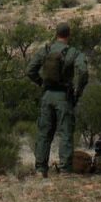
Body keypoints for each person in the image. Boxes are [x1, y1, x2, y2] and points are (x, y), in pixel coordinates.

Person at [26, 22, 89, 177]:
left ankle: (40, 169)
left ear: (56, 34)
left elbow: (30, 70)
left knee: (44, 133)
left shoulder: (46, 50)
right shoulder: (73, 52)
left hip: (47, 96)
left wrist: (42, 83)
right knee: (65, 133)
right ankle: (65, 170)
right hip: (64, 97)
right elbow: (83, 72)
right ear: (69, 35)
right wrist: (78, 91)